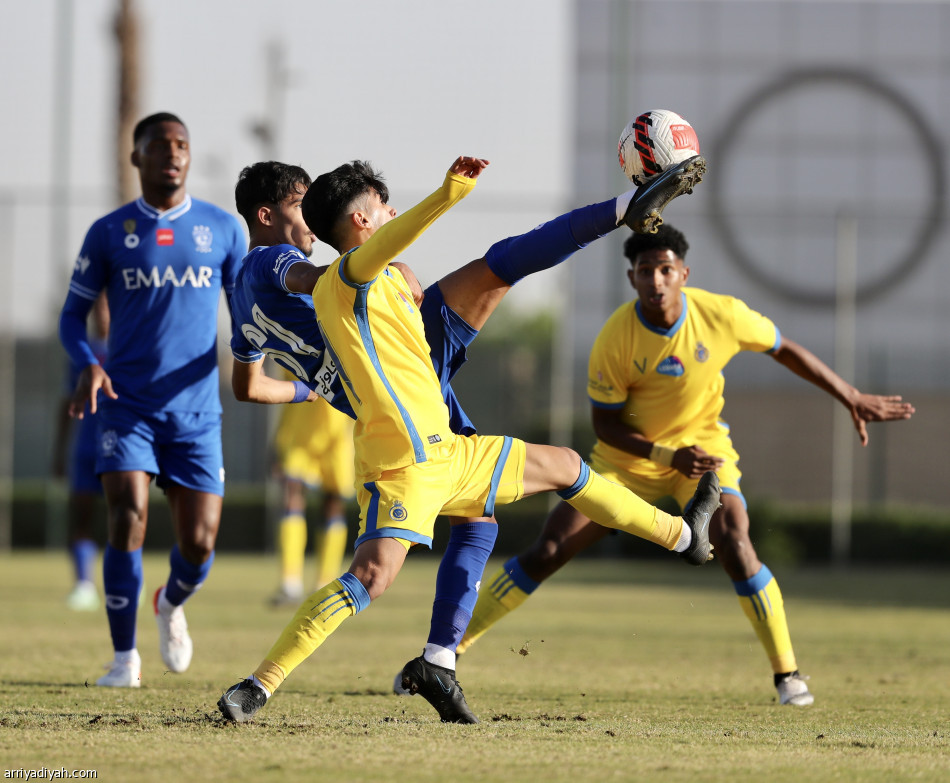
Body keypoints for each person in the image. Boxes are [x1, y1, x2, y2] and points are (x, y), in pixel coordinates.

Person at [217, 154, 720, 724]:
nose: (307, 221)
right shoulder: (288, 266)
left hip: (426, 412)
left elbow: (248, 386)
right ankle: (260, 685)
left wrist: (316, 387)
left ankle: (681, 539)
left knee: (537, 480)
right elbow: (328, 275)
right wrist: (442, 200)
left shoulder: (247, 307)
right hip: (401, 434)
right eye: (296, 206)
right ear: (268, 215)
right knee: (503, 264)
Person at [455, 223, 917, 707]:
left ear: (683, 274)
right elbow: (606, 425)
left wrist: (850, 395)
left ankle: (788, 675)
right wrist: (664, 454)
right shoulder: (616, 337)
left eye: (665, 270)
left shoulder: (721, 315)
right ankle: (448, 652)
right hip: (628, 462)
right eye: (645, 271)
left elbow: (783, 348)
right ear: (632, 278)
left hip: (702, 455)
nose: (655, 280)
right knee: (549, 548)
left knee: (735, 539)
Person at [58, 112, 246, 687]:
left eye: (181, 144)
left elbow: (246, 317)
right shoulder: (108, 232)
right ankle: (124, 660)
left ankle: (171, 600)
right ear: (136, 156)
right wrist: (90, 364)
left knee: (200, 543)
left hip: (196, 411)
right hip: (127, 404)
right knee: (127, 518)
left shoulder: (223, 229)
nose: (173, 152)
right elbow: (71, 318)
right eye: (160, 144)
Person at [268, 386, 356, 605]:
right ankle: (290, 584)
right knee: (292, 493)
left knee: (333, 502)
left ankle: (324, 585)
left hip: (340, 429)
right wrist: (279, 436)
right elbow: (285, 384)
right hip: (300, 427)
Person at [53, 293, 110, 611]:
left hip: (122, 446)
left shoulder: (130, 347)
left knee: (125, 516)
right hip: (86, 447)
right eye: (97, 307)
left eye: (107, 306)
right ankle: (84, 585)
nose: (102, 312)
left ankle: (127, 578)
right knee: (82, 516)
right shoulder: (81, 354)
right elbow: (66, 403)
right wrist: (59, 451)